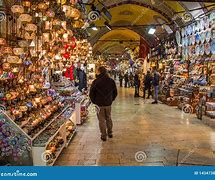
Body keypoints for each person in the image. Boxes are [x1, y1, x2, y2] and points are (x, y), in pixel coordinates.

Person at [89, 66, 118, 141]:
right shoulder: (111, 81)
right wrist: (111, 100)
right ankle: (110, 133)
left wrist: (94, 101)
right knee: (108, 117)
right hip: (108, 104)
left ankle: (103, 135)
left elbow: (91, 93)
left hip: (99, 104)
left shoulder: (96, 81)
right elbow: (115, 92)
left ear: (99, 72)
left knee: (101, 119)